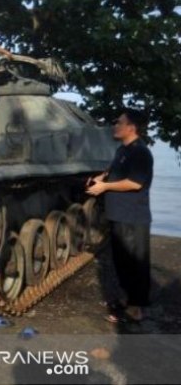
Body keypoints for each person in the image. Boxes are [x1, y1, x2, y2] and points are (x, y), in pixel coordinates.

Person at [87, 109, 153, 323]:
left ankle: (137, 309)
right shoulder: (122, 150)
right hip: (119, 215)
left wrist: (104, 186)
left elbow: (135, 183)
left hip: (133, 217)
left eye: (120, 122)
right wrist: (102, 176)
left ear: (131, 128)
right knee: (122, 262)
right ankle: (128, 300)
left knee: (136, 264)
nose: (115, 125)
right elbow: (115, 169)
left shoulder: (141, 153)